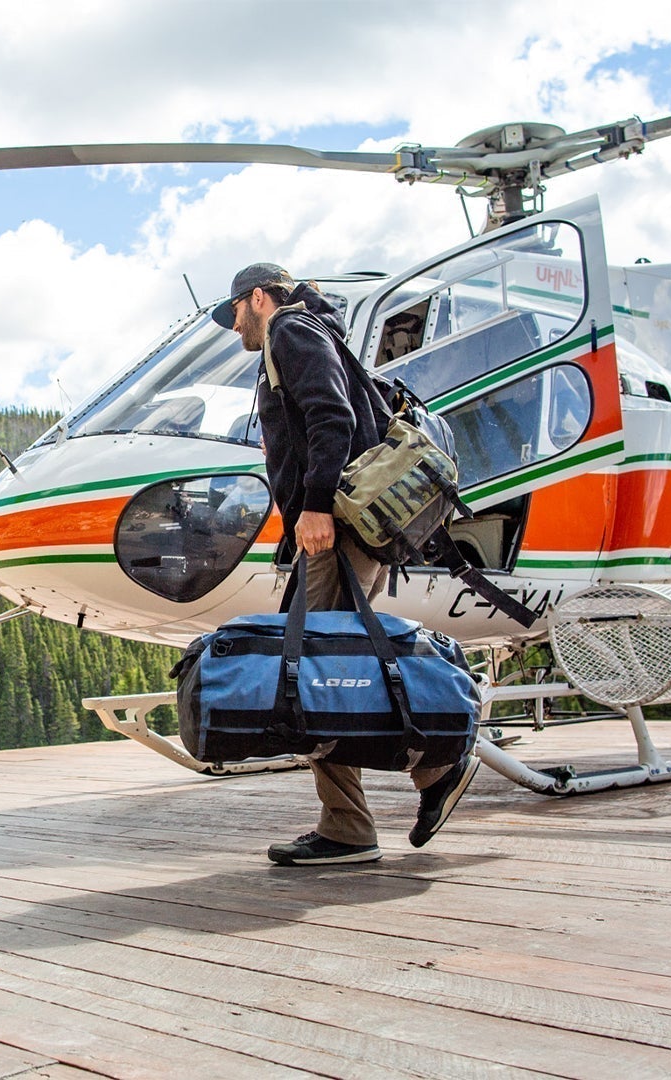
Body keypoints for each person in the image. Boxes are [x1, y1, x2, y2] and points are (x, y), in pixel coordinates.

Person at [214, 262, 481, 867]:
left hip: (336, 525)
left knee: (320, 666)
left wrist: (313, 508)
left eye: (232, 312)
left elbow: (330, 417)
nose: (233, 328)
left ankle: (414, 783)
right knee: (333, 661)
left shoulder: (290, 330)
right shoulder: (314, 330)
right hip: (353, 525)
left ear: (258, 297)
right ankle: (366, 811)